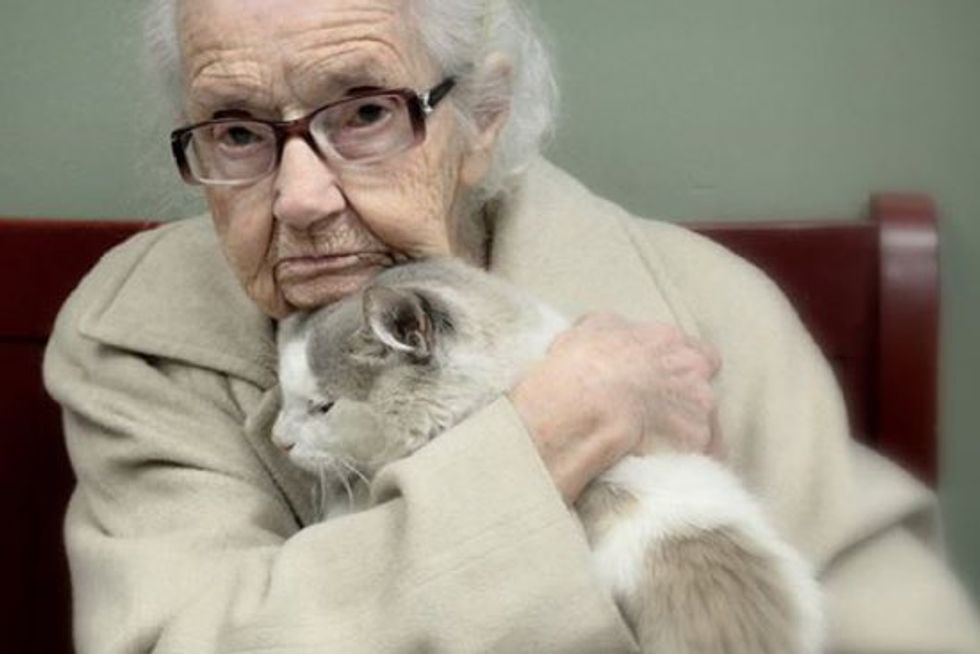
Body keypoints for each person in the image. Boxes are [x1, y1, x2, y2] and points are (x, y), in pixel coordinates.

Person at [44, 1, 979, 652]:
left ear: (482, 118)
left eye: (367, 112)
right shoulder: (136, 339)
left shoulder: (707, 306)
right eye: (238, 132)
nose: (298, 196)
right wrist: (542, 440)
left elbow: (896, 626)